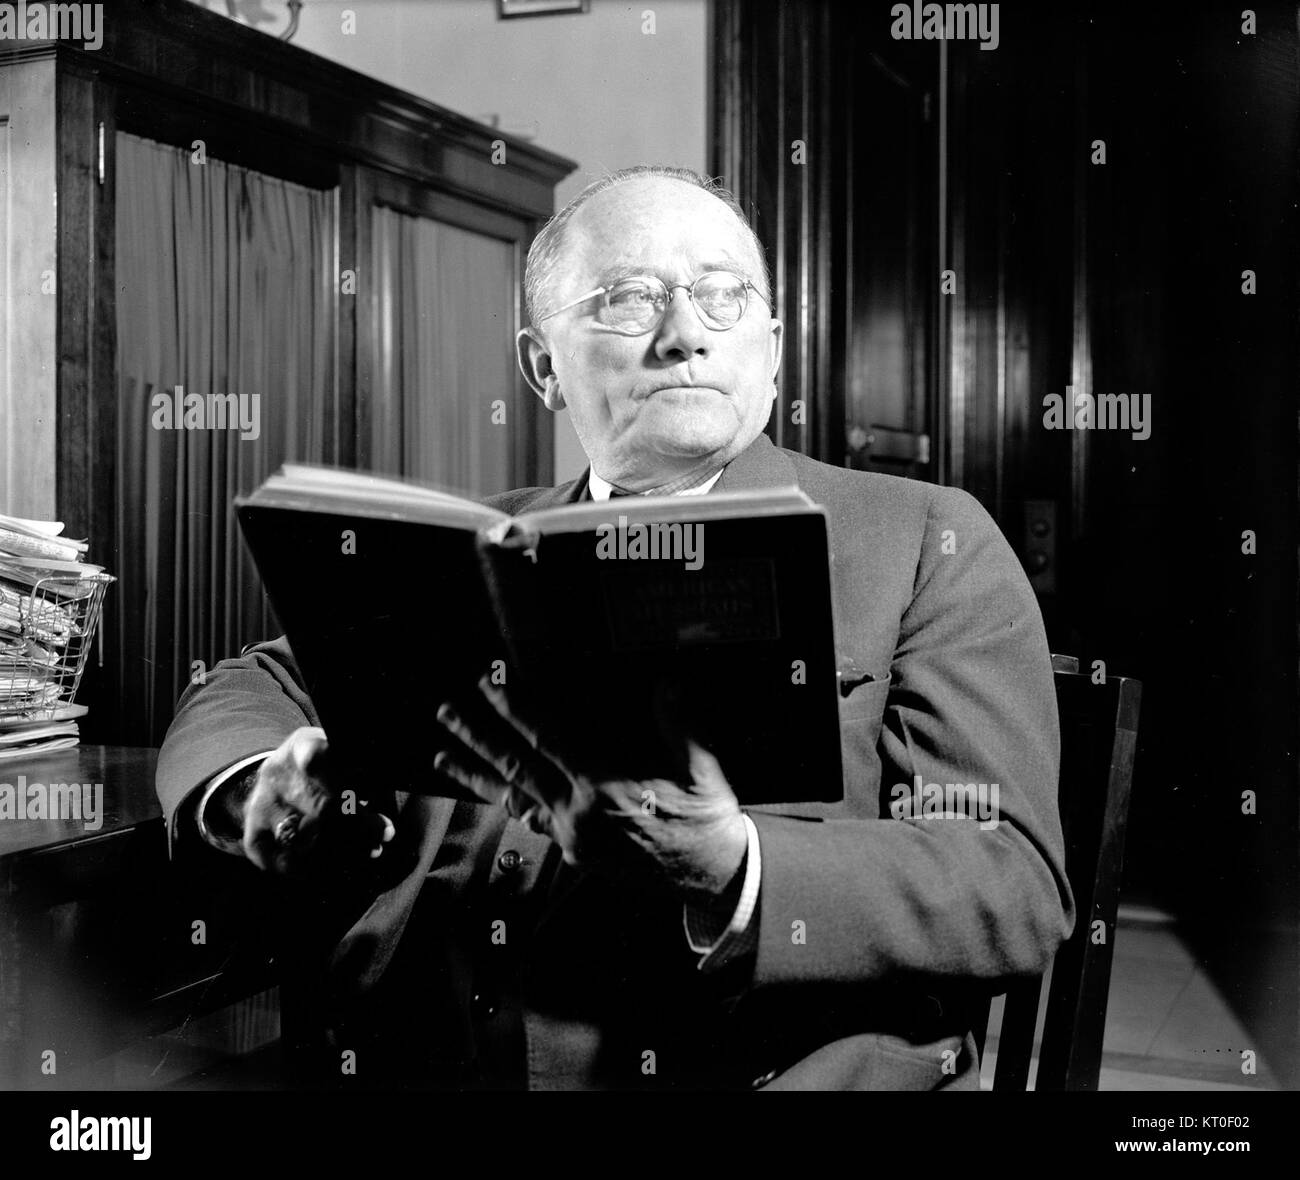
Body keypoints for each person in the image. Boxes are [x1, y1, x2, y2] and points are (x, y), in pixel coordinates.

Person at [156, 165, 1073, 1091]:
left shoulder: (924, 538)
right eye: (630, 299)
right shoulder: (474, 548)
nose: (685, 336)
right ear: (543, 368)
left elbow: (1010, 882)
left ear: (772, 349)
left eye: (723, 294)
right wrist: (251, 786)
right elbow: (253, 683)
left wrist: (733, 866)